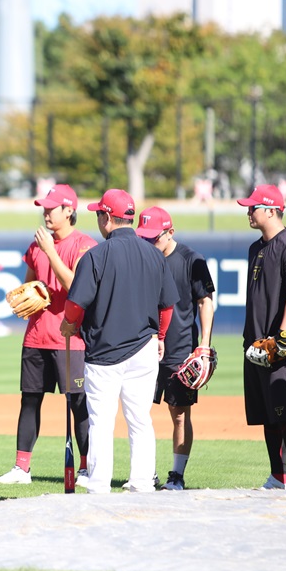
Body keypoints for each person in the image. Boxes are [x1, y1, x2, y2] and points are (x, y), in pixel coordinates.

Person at [60, 189, 177, 494]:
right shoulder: (154, 254)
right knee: (139, 419)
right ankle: (141, 482)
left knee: (101, 422)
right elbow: (167, 306)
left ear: (108, 217)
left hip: (105, 353)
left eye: (99, 213)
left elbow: (75, 305)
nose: (98, 219)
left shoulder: (96, 255)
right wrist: (161, 337)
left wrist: (68, 323)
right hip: (145, 349)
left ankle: (99, 484)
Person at [0, 184, 97, 486]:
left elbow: (77, 286)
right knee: (30, 400)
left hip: (71, 339)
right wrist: (29, 292)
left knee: (78, 404)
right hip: (36, 336)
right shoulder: (36, 245)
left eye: (52, 208)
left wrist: (51, 251)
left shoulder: (84, 245)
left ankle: (87, 469)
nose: (45, 212)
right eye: (44, 207)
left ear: (69, 211)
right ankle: (21, 468)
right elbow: (30, 285)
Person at [238, 184, 286, 491]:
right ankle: (278, 475)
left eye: (253, 207)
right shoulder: (256, 248)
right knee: (268, 415)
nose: (248, 212)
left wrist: (282, 336)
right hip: (257, 342)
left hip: (285, 343)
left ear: (271, 210)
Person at [136, 206, 215, 491]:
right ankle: (145, 473)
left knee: (179, 413)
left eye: (154, 237)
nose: (149, 242)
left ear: (171, 232)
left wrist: (203, 346)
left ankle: (176, 475)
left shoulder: (191, 259)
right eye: (144, 237)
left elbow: (205, 302)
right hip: (142, 346)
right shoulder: (143, 257)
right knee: (138, 412)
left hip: (180, 348)